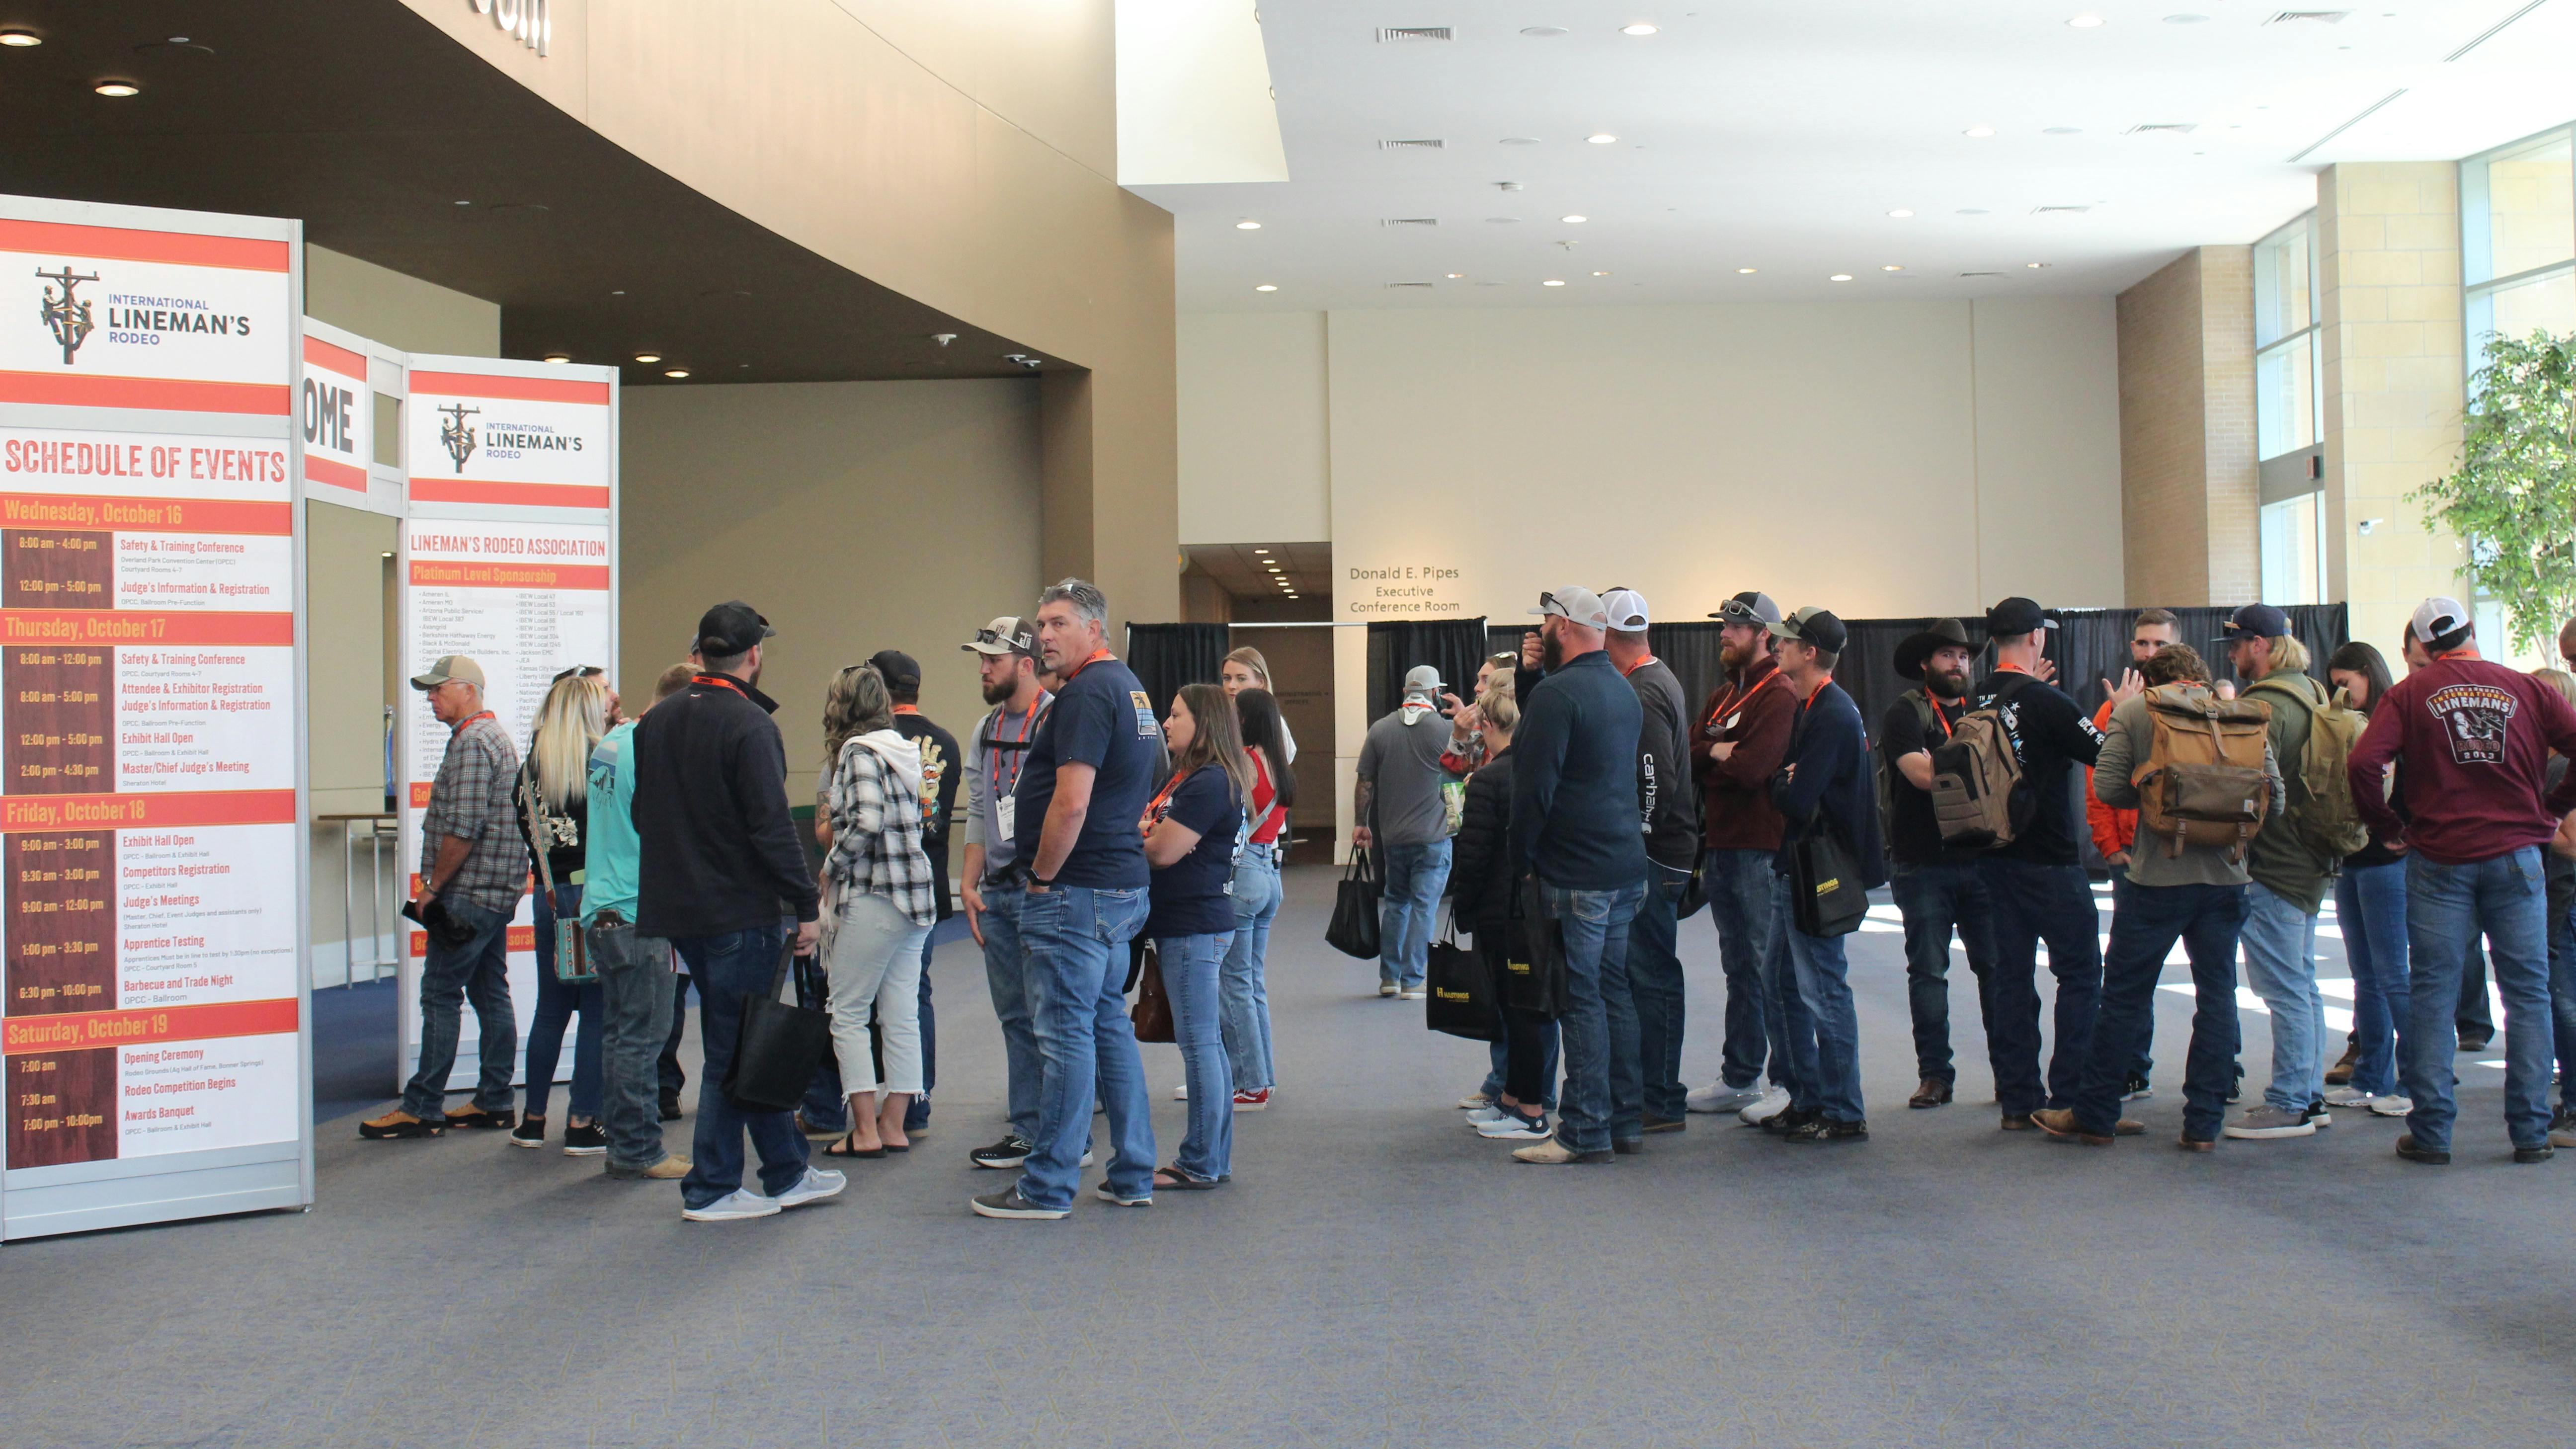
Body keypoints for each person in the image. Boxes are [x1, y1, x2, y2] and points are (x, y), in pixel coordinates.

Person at [634, 601, 845, 1222]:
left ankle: (784, 1171)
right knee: (733, 1048)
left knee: (740, 1039)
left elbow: (645, 812)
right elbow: (772, 828)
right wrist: (805, 906)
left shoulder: (656, 721)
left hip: (679, 909)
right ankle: (715, 1185)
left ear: (700, 653)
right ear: (755, 655)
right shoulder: (751, 726)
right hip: (738, 911)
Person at [2349, 597, 2576, 1165]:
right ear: (2473, 632)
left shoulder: (2408, 694)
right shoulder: (2528, 688)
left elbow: (2362, 764)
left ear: (2424, 647)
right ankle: (2529, 1132)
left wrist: (2388, 826)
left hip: (2440, 859)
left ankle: (2432, 1133)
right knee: (2526, 994)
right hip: (2517, 856)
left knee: (2433, 992)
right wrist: (2552, 808)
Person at [2036, 643, 2281, 1149]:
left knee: (2125, 998)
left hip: (2156, 879)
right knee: (2217, 998)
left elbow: (2106, 788)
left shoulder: (2135, 710)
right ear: (2200, 676)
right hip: (2226, 880)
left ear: (2150, 679)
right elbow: (2273, 796)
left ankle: (2097, 1116)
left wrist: (2157, 801)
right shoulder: (2237, 716)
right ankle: (2204, 1125)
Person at [971, 579, 1163, 1219]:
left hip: (1076, 891)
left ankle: (1047, 1185)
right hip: (1117, 886)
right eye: (1041, 624)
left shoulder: (1085, 694)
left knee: (1063, 1036)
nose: (1045, 635)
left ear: (1093, 628)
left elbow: (1072, 800)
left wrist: (1044, 876)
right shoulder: (1129, 687)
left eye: (1057, 623)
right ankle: (1133, 1170)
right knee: (1107, 1025)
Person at [1506, 586, 1646, 1165]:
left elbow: (1533, 789)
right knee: (1613, 993)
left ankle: (1584, 1130)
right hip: (1623, 868)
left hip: (1577, 874)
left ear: (1564, 627)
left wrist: (1520, 863)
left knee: (1581, 999)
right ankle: (1623, 1121)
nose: (1539, 632)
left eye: (1545, 623)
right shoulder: (1623, 688)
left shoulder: (1559, 695)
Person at [363, 656, 526, 1140]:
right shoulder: (487, 739)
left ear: (468, 691)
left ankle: (423, 1105)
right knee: (489, 991)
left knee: (440, 993)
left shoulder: (475, 743)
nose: (430, 698)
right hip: (492, 891)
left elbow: (464, 827)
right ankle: (495, 1100)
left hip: (469, 893)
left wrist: (431, 887)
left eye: (438, 690)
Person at [1971, 596, 2107, 1133]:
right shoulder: (2048, 701)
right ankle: (2069, 1093)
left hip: (1992, 856)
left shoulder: (1975, 698)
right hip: (2049, 859)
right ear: (2036, 638)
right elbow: (2106, 753)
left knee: (2010, 978)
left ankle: (2016, 1100)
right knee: (2078, 973)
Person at [1761, 606, 1885, 1143]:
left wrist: (1781, 783)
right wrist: (1783, 782)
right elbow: (1788, 783)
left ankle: (1842, 1109)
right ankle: (1808, 1096)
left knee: (1821, 990)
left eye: (1788, 642)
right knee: (1781, 983)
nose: (1778, 648)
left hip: (1815, 874)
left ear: (1810, 652)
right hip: (1800, 867)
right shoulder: (1817, 707)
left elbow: (1796, 795)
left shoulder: (1830, 713)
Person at [2219, 604, 2340, 1139]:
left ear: (2260, 645)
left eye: (2238, 644)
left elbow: (2242, 784)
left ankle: (2290, 1100)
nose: (2232, 654)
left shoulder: (2265, 704)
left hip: (2273, 862)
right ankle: (2309, 1095)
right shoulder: (2312, 692)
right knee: (2303, 982)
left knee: (2284, 986)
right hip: (2311, 855)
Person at [811, 664, 940, 1159]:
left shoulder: (858, 752)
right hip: (916, 897)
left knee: (846, 1012)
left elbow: (866, 820)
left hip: (875, 895)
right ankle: (893, 1124)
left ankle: (863, 1131)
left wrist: (830, 867)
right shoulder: (902, 751)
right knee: (901, 1013)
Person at [1684, 591, 1796, 1121]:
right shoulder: (1723, 696)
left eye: (1735, 627)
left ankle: (1784, 1081)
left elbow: (1755, 771)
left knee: (1763, 966)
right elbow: (1687, 758)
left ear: (1763, 634)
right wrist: (1716, 751)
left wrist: (1716, 755)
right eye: (1724, 627)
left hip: (1760, 849)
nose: (1725, 635)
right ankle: (1740, 1077)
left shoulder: (1779, 695)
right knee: (1738, 968)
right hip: (1723, 848)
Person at [1881, 618, 2001, 1111]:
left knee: (1997, 970)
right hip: (1922, 863)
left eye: (1965, 657)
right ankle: (1935, 1075)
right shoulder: (1903, 714)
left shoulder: (1984, 712)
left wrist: (1947, 764)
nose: (1959, 664)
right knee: (1928, 973)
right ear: (1927, 664)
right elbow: (1923, 776)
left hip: (1984, 862)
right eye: (1949, 656)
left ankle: (2009, 1070)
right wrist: (1980, 772)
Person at [582, 662, 694, 1180]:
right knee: (645, 1038)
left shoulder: (612, 742)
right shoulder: (652, 749)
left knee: (619, 1036)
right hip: (637, 909)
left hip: (602, 907)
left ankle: (623, 1143)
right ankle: (639, 1149)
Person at [843, 649, 961, 1140]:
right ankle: (914, 1106)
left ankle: (864, 1119)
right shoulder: (947, 744)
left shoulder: (867, 745)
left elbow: (862, 823)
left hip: (876, 885)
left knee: (854, 1008)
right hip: (926, 883)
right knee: (911, 1002)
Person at [1602, 588, 1701, 1135]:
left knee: (1652, 976)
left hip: (1654, 855)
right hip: (1666, 850)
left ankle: (1661, 1098)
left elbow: (1652, 781)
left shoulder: (1642, 690)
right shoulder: (1658, 678)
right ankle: (1657, 1094)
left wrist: (1637, 840)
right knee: (1651, 975)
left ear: (1610, 636)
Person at [1143, 683, 1251, 1190]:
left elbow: (1163, 850)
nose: (1167, 723)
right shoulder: (1190, 779)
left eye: (1176, 714)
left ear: (1202, 723)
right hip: (1190, 924)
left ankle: (1202, 1161)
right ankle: (1212, 1158)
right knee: (1204, 1044)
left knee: (1201, 1045)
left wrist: (1140, 835)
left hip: (1194, 925)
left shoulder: (1208, 783)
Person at [958, 617, 1056, 1171]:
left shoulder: (1057, 720)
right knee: (1016, 1017)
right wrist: (969, 883)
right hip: (997, 894)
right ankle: (1028, 1129)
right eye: (981, 658)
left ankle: (1066, 1135)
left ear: (1025, 663)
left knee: (1055, 1016)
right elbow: (979, 808)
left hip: (1045, 890)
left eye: (993, 659)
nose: (983, 668)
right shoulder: (985, 728)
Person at [511, 670, 614, 1156]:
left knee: (550, 1010)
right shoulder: (603, 763)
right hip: (594, 898)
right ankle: (581, 1121)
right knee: (597, 1010)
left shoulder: (531, 769)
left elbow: (529, 835)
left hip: (548, 896)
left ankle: (532, 1120)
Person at [1451, 691, 1559, 1141]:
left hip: (1502, 913)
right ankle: (1513, 1100)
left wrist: (1463, 905)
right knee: (1522, 1010)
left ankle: (1531, 1112)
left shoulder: (1489, 780)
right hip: (1534, 907)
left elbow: (1472, 856)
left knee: (1520, 1014)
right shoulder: (1543, 773)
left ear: (1486, 728)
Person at [2320, 642, 2413, 1120]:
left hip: (2387, 864)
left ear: (2367, 676)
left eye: (2345, 683)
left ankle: (2416, 1081)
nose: (2340, 693)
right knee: (2366, 977)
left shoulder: (2395, 722)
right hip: (2354, 861)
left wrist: (2401, 831)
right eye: (2334, 684)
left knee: (2393, 974)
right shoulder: (2346, 723)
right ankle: (2372, 1076)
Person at [2087, 607, 2176, 1100]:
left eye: (2158, 645)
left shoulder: (2203, 706)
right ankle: (2133, 1066)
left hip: (2193, 854)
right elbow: (2098, 787)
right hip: (2134, 857)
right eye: (2142, 644)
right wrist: (2109, 846)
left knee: (2214, 971)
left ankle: (2222, 1072)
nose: (2148, 654)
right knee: (2130, 970)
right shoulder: (2114, 710)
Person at [1354, 663, 1460, 1000]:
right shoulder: (1446, 730)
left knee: (1397, 904)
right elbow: (1458, 780)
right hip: (1433, 837)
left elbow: (1365, 782)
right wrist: (1457, 825)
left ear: (1405, 692)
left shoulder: (1380, 730)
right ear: (1435, 693)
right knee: (1424, 906)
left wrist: (1361, 823)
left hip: (1393, 839)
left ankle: (1390, 978)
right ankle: (1414, 981)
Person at [1222, 686, 1293, 1111]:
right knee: (1252, 982)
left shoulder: (1246, 764)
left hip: (1245, 873)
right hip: (1269, 870)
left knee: (1234, 984)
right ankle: (1263, 1075)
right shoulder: (1279, 762)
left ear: (1246, 720)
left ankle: (1250, 1083)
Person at [1221, 644, 1297, 762]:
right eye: (1227, 678)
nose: (1232, 686)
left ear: (1261, 683)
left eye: (1241, 679)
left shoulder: (1274, 722)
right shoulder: (1218, 720)